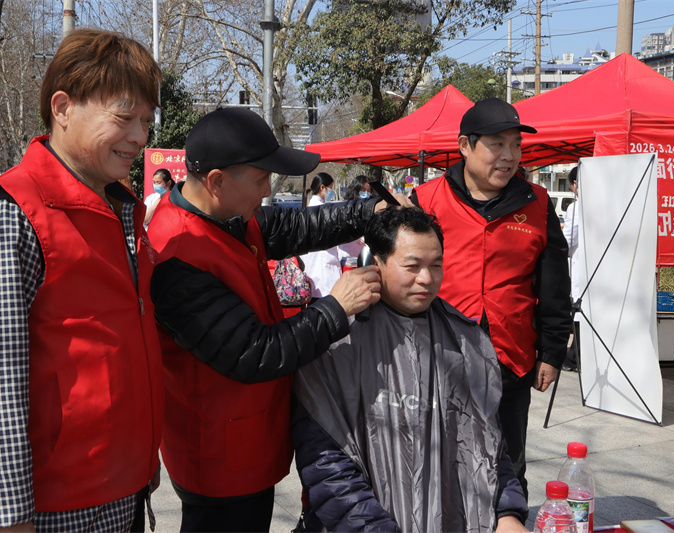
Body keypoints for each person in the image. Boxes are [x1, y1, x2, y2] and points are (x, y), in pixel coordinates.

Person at [0, 29, 164, 531]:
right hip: (50, 509)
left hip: (121, 489)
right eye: (125, 118)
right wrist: (4, 519)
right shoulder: (8, 213)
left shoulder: (118, 207)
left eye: (146, 122)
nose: (140, 138)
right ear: (62, 108)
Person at [148, 107, 406, 532]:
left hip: (247, 443)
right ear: (216, 181)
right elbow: (254, 352)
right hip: (218, 459)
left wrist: (368, 211)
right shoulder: (177, 255)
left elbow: (297, 226)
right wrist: (336, 308)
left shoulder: (228, 217)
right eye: (261, 179)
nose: (268, 191)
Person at [293, 206, 529, 532]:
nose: (427, 278)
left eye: (436, 265)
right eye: (412, 266)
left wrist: (508, 513)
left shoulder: (466, 342)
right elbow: (326, 465)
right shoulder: (337, 341)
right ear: (377, 263)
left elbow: (489, 447)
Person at [410, 97, 571, 498]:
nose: (509, 156)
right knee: (438, 457)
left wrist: (552, 351)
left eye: (516, 145)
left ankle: (507, 519)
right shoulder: (427, 199)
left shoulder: (537, 203)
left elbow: (553, 284)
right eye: (497, 144)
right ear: (465, 146)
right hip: (437, 354)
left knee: (507, 460)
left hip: (510, 355)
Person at [562, 166, 580, 371]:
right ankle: (575, 356)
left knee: (577, 313)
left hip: (578, 267)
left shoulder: (576, 208)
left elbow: (568, 240)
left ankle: (574, 358)